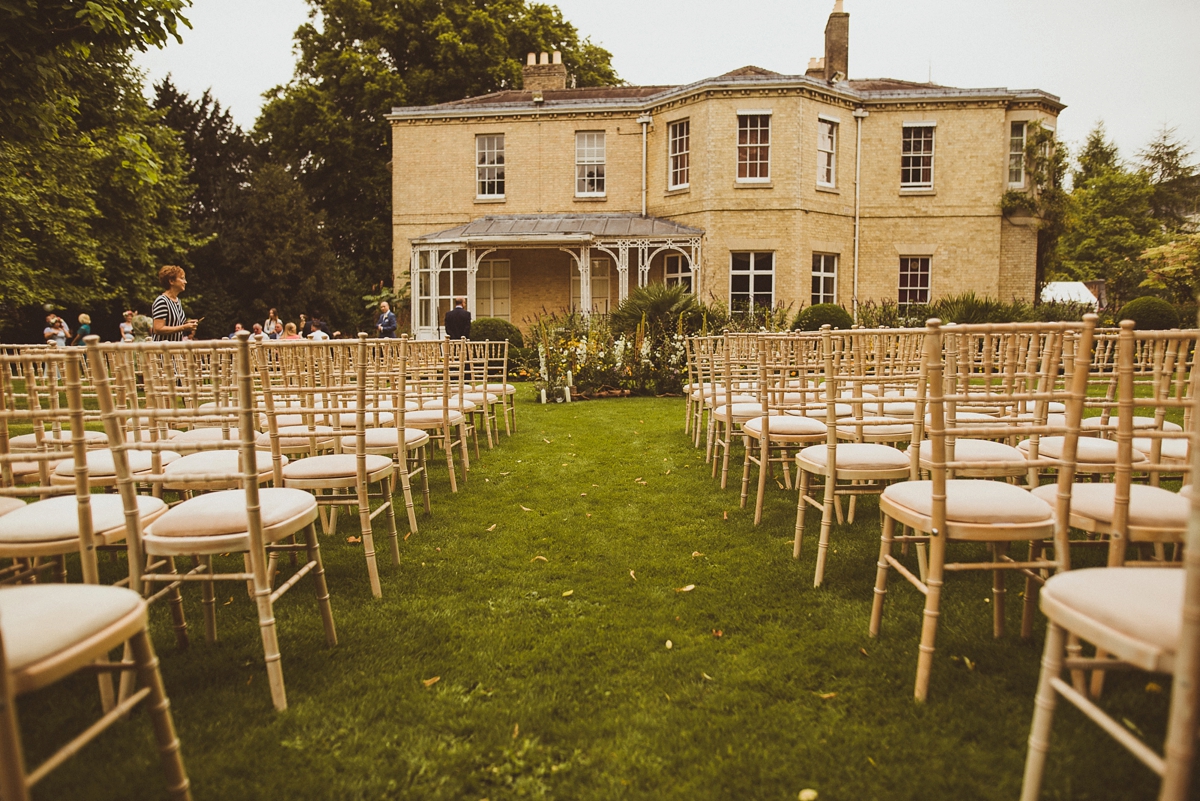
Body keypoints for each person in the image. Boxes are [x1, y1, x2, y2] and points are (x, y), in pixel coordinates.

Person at [151, 265, 197, 342]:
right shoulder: (162, 301)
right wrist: (183, 327)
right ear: (171, 281)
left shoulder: (177, 301)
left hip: (175, 351)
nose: (185, 282)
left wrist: (187, 323)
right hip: (163, 351)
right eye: (182, 278)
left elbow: (174, 323)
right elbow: (158, 329)